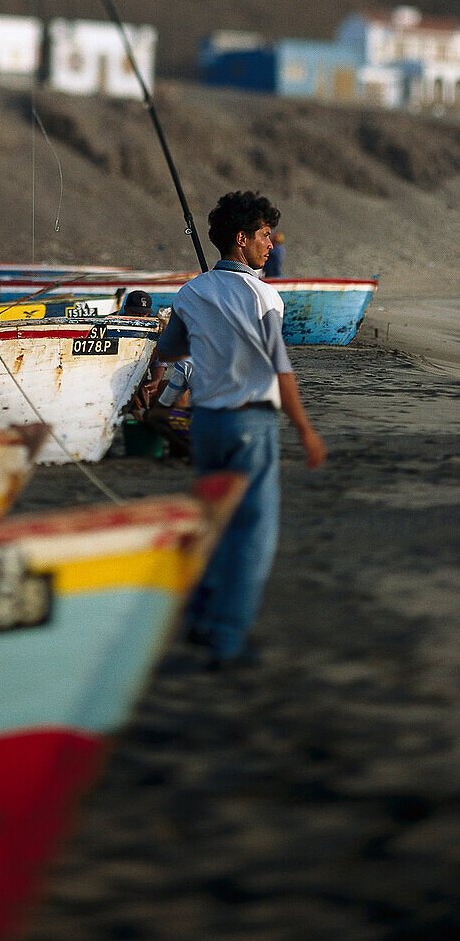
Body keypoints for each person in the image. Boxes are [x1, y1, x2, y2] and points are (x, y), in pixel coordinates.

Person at [156, 190, 326, 669]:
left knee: (213, 523)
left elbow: (169, 350)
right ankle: (227, 641)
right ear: (241, 239)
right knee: (252, 533)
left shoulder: (191, 292)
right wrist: (305, 430)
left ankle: (200, 617)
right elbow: (282, 369)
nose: (270, 245)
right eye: (264, 236)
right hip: (251, 423)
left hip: (206, 425)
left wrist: (206, 317)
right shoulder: (264, 295)